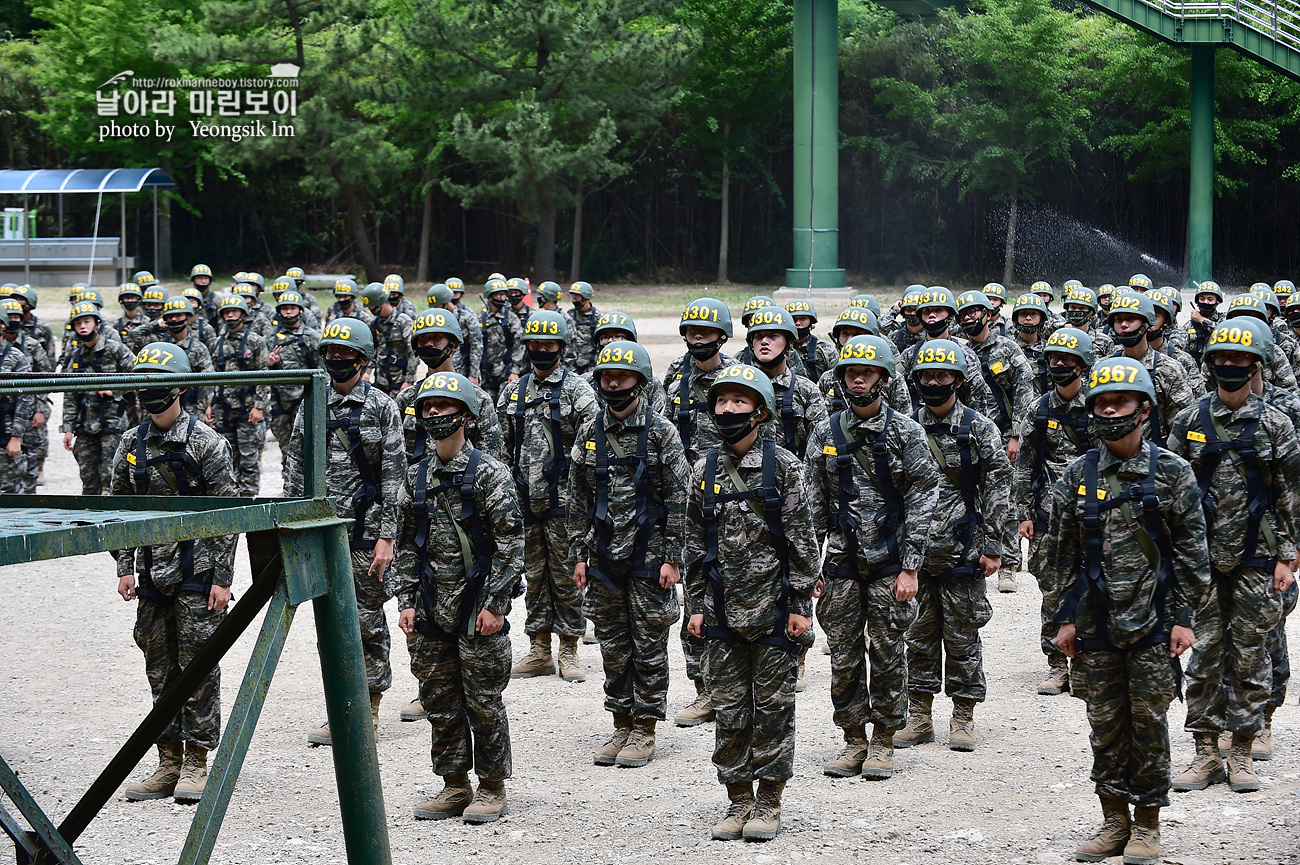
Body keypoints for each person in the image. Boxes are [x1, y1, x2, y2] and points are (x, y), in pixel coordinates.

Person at [1042, 357, 1209, 865]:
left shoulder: (1173, 471)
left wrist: (1184, 619)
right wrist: (1062, 621)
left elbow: (1192, 553)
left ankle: (1148, 824)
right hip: (1093, 626)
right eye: (1102, 402)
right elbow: (1059, 555)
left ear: (1144, 409)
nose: (1110, 409)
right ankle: (1114, 820)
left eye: (1121, 401)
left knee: (1148, 725)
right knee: (1105, 725)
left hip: (1154, 625)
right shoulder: (1077, 474)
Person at [684, 363, 817, 842]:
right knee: (730, 708)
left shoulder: (786, 468)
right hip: (720, 613)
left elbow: (803, 544)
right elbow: (694, 543)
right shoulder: (703, 469)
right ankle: (738, 797)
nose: (727, 409)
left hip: (775, 613)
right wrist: (695, 605)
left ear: (760, 412)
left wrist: (801, 606)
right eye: (721, 401)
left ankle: (770, 801)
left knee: (774, 709)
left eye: (739, 402)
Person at [1167, 317, 1299, 795]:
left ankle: (1241, 750)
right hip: (1199, 559)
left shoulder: (1275, 424)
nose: (1228, 365)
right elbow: (1170, 488)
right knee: (1203, 657)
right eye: (1221, 358)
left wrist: (1288, 555)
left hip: (1258, 557)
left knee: (1249, 655)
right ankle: (1205, 752)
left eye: (1239, 359)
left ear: (1256, 364)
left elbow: (1289, 494)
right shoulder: (1189, 419)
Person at [806, 335, 939, 780]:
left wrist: (911, 567)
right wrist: (813, 569)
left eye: (866, 372)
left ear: (883, 378)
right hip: (842, 564)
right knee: (843, 656)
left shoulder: (906, 432)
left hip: (890, 563)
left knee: (886, 652)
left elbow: (923, 498)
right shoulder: (825, 433)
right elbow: (813, 506)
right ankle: (852, 739)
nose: (857, 378)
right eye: (849, 372)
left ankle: (882, 740)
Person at [112, 344, 238, 803]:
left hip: (198, 573)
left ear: (181, 387)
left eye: (160, 384)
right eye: (143, 383)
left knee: (198, 668)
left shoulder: (206, 443)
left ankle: (197, 762)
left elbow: (230, 514)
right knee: (159, 669)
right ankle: (167, 760)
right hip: (150, 577)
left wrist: (222, 577)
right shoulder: (130, 444)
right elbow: (119, 511)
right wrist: (124, 566)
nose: (151, 392)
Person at [395, 371, 523, 824]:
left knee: (483, 702)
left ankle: (491, 786)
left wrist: (496, 604)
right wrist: (406, 600)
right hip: (431, 607)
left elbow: (511, 542)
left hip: (478, 609)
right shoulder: (416, 477)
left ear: (466, 415)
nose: (434, 415)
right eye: (427, 408)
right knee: (440, 701)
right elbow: (407, 544)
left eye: (444, 408)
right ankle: (453, 784)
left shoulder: (490, 473)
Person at [568, 341, 690, 768]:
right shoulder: (589, 432)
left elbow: (680, 498)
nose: (613, 383)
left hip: (650, 557)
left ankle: (646, 727)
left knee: (649, 643)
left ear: (640, 381)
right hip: (603, 556)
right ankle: (621, 721)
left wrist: (673, 558)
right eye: (605, 377)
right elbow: (577, 498)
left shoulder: (660, 432)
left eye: (621, 376)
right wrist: (579, 554)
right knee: (614, 645)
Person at [286, 319, 406, 744]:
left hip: (367, 531)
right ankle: (341, 706)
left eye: (345, 355)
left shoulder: (381, 407)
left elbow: (394, 474)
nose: (337, 362)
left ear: (363, 360)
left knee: (367, 620)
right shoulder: (312, 403)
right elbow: (295, 467)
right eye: (330, 355)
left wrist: (388, 536)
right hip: (322, 529)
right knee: (331, 623)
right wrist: (292, 527)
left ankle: (369, 709)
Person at [895, 340, 1011, 753]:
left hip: (964, 551)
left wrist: (995, 545)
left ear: (959, 381)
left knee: (963, 637)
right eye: (926, 376)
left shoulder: (979, 429)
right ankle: (920, 714)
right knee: (918, 636)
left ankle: (963, 714)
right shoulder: (905, 427)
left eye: (942, 376)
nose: (933, 382)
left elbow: (998, 488)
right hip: (915, 555)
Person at [394, 309, 506, 723]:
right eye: (422, 339)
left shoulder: (478, 399)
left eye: (437, 339)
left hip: (467, 510)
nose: (429, 346)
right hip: (425, 505)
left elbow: (496, 456)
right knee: (428, 618)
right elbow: (401, 461)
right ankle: (433, 692)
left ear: (454, 345)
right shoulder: (408, 401)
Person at [498, 310, 599, 681]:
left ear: (562, 347)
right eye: (535, 344)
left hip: (565, 503)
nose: (541, 350)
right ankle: (539, 647)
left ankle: (569, 647)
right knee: (535, 576)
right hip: (526, 501)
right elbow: (502, 446)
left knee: (567, 575)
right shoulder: (513, 391)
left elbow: (593, 444)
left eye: (549, 344)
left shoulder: (578, 390)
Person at [664, 298, 739, 726]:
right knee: (694, 594)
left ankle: (729, 685)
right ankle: (703, 689)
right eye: (691, 330)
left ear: (721, 336)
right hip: (685, 500)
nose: (697, 337)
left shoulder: (736, 378)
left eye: (705, 332)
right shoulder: (675, 374)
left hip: (728, 497)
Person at [1014, 327, 1098, 697]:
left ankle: (1086, 663)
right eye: (1054, 359)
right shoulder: (1040, 408)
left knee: (1094, 587)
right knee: (1052, 590)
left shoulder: (1100, 404)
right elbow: (1025, 465)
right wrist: (1023, 512)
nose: (1060, 365)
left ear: (1083, 365)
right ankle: (1055, 664)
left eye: (1068, 360)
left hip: (1095, 513)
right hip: (1051, 517)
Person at [958, 289, 1035, 593]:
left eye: (973, 312)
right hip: (971, 438)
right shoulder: (959, 353)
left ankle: (1011, 565)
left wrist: (1015, 434)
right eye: (963, 315)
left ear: (988, 315)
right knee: (975, 498)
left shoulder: (1007, 349)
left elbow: (1024, 391)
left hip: (1004, 437)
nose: (969, 318)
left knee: (1007, 499)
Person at [61, 301, 137, 495]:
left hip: (113, 423)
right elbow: (70, 394)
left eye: (87, 321)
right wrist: (67, 428)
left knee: (113, 476)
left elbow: (139, 376)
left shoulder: (115, 349)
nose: (82, 327)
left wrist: (116, 391)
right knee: (88, 477)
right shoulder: (76, 355)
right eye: (78, 324)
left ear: (96, 322)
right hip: (85, 426)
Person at [1106, 292, 1196, 443]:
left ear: (1147, 323)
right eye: (1118, 320)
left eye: (1131, 319)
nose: (1123, 325)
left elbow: (1184, 425)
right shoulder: (1104, 368)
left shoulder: (1169, 369)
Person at [206, 297, 269, 497]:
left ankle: (249, 503)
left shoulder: (256, 341)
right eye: (226, 312)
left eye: (234, 311)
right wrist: (208, 405)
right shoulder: (216, 343)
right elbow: (210, 376)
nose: (230, 315)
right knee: (226, 460)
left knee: (249, 461)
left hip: (248, 410)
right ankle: (232, 504)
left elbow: (263, 374)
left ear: (243, 313)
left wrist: (259, 406)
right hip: (223, 410)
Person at [267, 290, 321, 477]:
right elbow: (259, 371)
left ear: (300, 311)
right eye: (284, 309)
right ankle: (288, 487)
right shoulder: (270, 337)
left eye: (292, 308)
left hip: (305, 400)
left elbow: (323, 370)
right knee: (286, 448)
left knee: (308, 447)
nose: (288, 312)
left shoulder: (312, 336)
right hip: (279, 401)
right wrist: (269, 364)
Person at [0, 299, 35, 492]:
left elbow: (25, 398)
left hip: (5, 435)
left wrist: (16, 436)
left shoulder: (15, 357)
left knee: (11, 490)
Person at [359, 283, 416, 396]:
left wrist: (409, 380)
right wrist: (367, 372)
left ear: (380, 302)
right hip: (380, 381)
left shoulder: (403, 322)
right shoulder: (374, 324)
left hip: (400, 382)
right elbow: (372, 351)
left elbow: (413, 351)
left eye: (372, 306)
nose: (371, 309)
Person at [479, 279, 525, 402]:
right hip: (485, 373)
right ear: (489, 296)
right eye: (498, 294)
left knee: (504, 406)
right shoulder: (480, 318)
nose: (502, 297)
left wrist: (514, 371)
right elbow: (474, 345)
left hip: (506, 372)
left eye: (504, 294)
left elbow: (519, 344)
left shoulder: (511, 318)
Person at [564, 281, 602, 375]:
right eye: (573, 298)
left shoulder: (598, 317)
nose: (574, 301)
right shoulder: (570, 314)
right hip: (572, 365)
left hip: (591, 364)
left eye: (577, 298)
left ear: (586, 298)